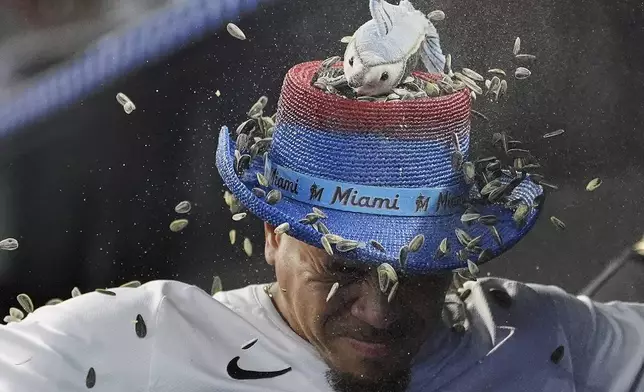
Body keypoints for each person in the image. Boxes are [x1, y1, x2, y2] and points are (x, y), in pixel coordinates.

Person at [1, 60, 644, 392]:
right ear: (273, 235)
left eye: (417, 273)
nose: (380, 312)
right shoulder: (137, 341)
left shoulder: (545, 337)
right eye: (342, 268)